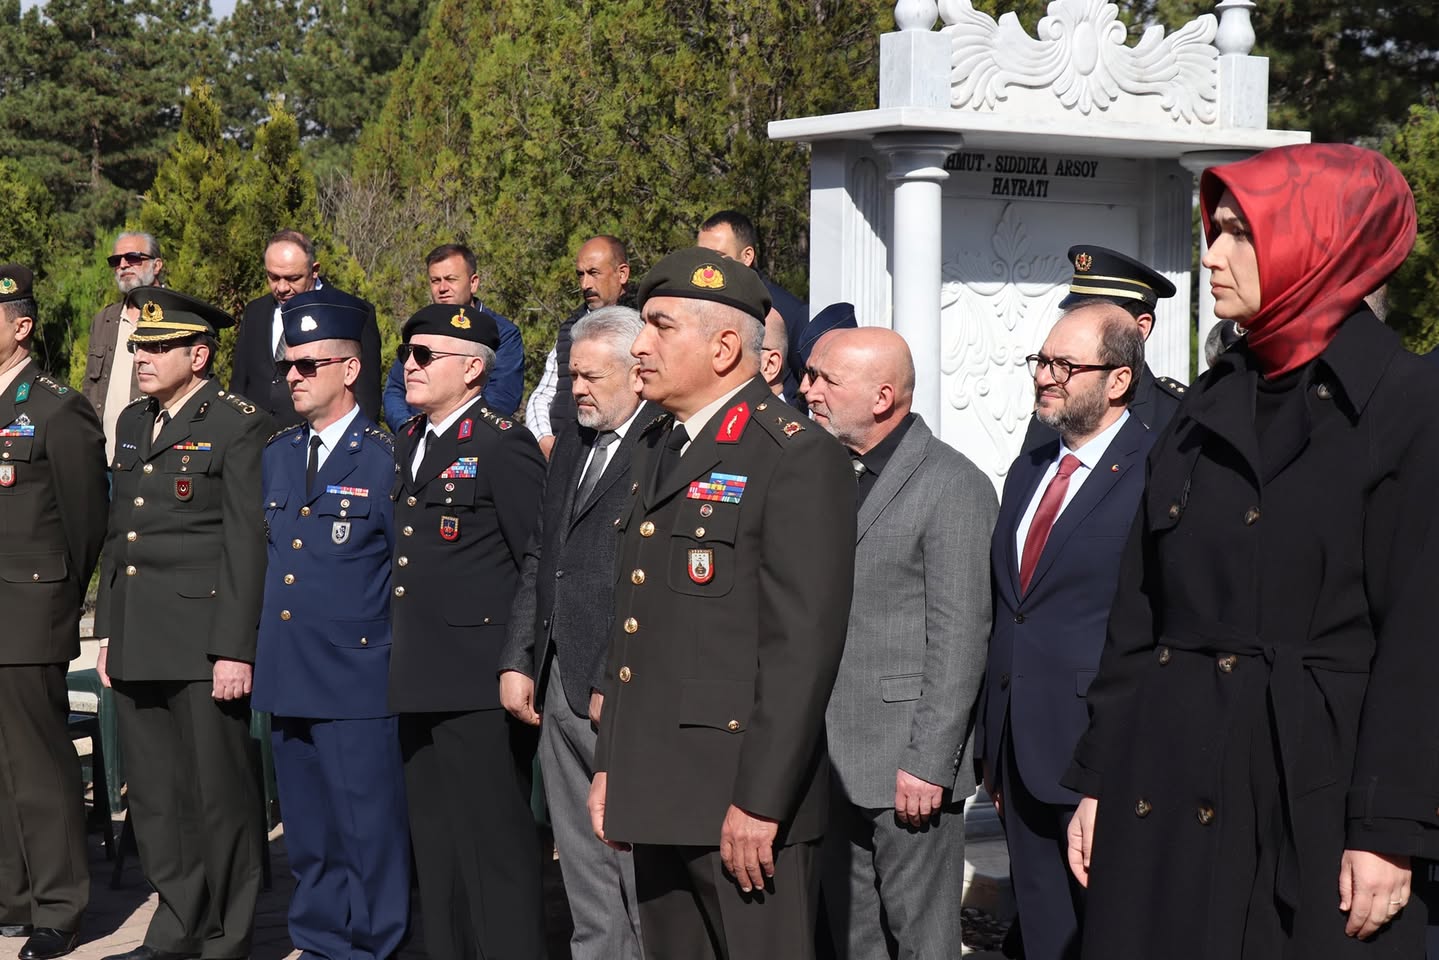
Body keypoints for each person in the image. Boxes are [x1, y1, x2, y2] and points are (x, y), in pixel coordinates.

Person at [1065, 143, 1433, 957]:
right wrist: (1098, 777)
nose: (1210, 255)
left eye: (1239, 233)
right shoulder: (1204, 403)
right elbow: (1139, 610)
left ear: (1320, 244)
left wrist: (1387, 826)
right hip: (1162, 781)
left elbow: (1421, 637)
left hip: (1311, 797)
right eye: (1213, 229)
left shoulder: (1406, 408)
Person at [589, 248, 856, 959]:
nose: (637, 346)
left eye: (658, 326)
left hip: (742, 807)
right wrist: (612, 767)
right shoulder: (657, 445)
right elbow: (634, 626)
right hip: (658, 790)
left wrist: (761, 802)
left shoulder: (793, 455)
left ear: (724, 346)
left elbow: (800, 651)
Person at [804, 327, 996, 959]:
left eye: (827, 379)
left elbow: (961, 633)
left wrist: (930, 761)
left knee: (920, 943)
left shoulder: (953, 485)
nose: (809, 390)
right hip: (828, 759)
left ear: (883, 396)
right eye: (810, 375)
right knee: (853, 941)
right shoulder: (823, 470)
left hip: (906, 767)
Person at [94, 287, 273, 960]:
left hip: (202, 643)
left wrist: (234, 647)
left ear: (198, 355)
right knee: (159, 802)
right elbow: (121, 536)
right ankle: (175, 929)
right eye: (141, 345)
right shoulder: (134, 423)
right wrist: (109, 629)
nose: (143, 356)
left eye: (159, 347)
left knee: (219, 798)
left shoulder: (237, 423)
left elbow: (244, 545)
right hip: (139, 634)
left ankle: (227, 937)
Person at [976, 301, 1153, 960]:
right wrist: (991, 742)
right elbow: (1012, 611)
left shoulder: (1153, 470)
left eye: (1064, 365)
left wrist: (1111, 770)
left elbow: (1150, 627)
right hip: (1017, 752)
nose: (1044, 376)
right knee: (1043, 934)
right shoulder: (1030, 469)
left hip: (1098, 760)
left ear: (1117, 381)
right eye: (1041, 361)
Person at [252, 292, 409, 960]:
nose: (294, 375)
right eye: (289, 365)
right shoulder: (279, 454)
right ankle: (320, 945)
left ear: (349, 369)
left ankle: (375, 949)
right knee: (311, 841)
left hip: (356, 680)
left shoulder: (385, 457)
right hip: (289, 675)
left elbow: (404, 577)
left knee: (367, 838)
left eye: (310, 364)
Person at [388, 302, 546, 960]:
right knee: (437, 851)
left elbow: (537, 557)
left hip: (479, 679)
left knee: (495, 852)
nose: (408, 368)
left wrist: (522, 660)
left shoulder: (499, 441)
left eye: (425, 357)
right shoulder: (405, 442)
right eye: (407, 355)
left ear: (474, 369)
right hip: (415, 675)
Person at [499, 305, 654, 960]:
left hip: (619, 690)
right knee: (584, 876)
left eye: (589, 376)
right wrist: (518, 656)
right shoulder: (572, 442)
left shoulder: (664, 447)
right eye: (569, 377)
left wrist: (610, 678)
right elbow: (541, 551)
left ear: (635, 374)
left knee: (635, 868)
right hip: (557, 681)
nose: (576, 390)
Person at [0, 265, 108, 960]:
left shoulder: (56, 407)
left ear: (21, 326)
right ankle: (12, 895)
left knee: (38, 765)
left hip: (28, 607)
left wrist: (58, 601)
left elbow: (86, 520)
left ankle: (60, 906)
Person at [1021, 246, 1185, 452]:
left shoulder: (1176, 415)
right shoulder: (1052, 408)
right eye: (1075, 315)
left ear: (1141, 327)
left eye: (1099, 318)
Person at [231, 229, 382, 426]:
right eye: (273, 277)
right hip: (257, 444)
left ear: (315, 270)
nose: (282, 288)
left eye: (293, 278)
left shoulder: (351, 312)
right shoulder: (256, 311)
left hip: (315, 442)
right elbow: (240, 384)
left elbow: (366, 395)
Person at [381, 243, 525, 426]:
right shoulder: (421, 330)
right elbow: (396, 390)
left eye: (451, 279)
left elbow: (502, 397)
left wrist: (449, 433)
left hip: (472, 441)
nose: (442, 288)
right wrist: (408, 428)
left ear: (473, 283)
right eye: (435, 280)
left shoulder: (502, 334)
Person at [525, 236, 631, 457]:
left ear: (622, 274)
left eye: (594, 273)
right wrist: (544, 439)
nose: (585, 285)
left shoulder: (645, 325)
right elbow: (543, 394)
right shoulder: (569, 329)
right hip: (565, 453)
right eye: (580, 275)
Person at [697, 210, 808, 406]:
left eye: (719, 257)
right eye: (701, 258)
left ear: (747, 256)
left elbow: (802, 388)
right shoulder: (696, 305)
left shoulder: (787, 311)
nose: (708, 268)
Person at [83, 232, 164, 459]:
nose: (123, 265)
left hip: (151, 456)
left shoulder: (177, 316)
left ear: (156, 265)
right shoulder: (104, 320)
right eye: (115, 261)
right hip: (103, 455)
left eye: (134, 258)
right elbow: (90, 387)